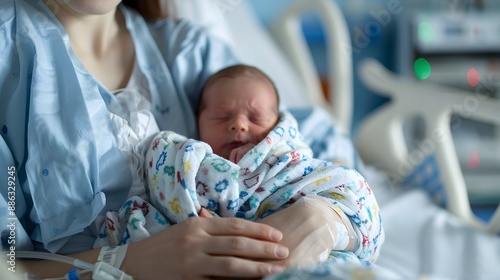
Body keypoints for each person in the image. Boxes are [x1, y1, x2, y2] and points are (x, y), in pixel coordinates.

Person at [0, 1, 383, 279]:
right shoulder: (8, 51)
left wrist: (326, 215)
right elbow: (10, 261)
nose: (237, 126)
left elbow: (309, 144)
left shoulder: (188, 50)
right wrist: (122, 262)